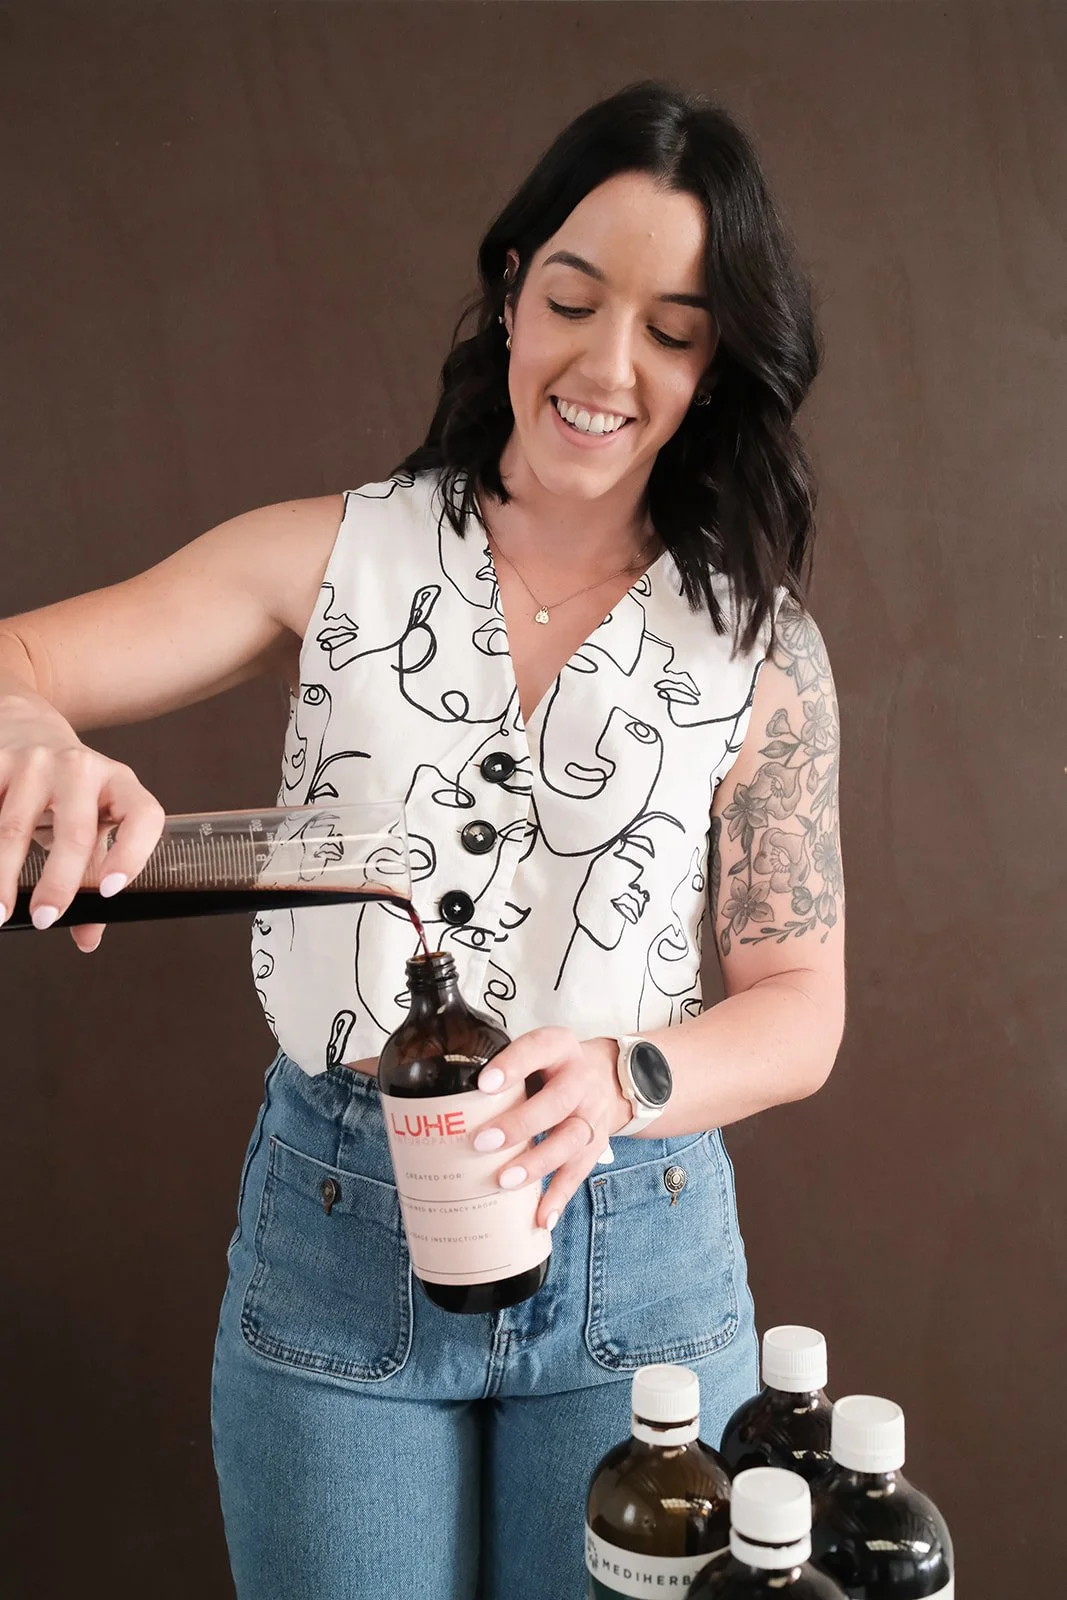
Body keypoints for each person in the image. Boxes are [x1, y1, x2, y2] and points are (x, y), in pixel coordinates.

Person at [0, 81, 846, 1599]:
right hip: (338, 1237)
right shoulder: (331, 555)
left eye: (670, 327)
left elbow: (801, 1009)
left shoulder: (759, 650)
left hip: (637, 1265)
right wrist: (35, 739)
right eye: (573, 300)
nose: (605, 365)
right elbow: (17, 665)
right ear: (510, 293)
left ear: (716, 363)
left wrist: (625, 1073)